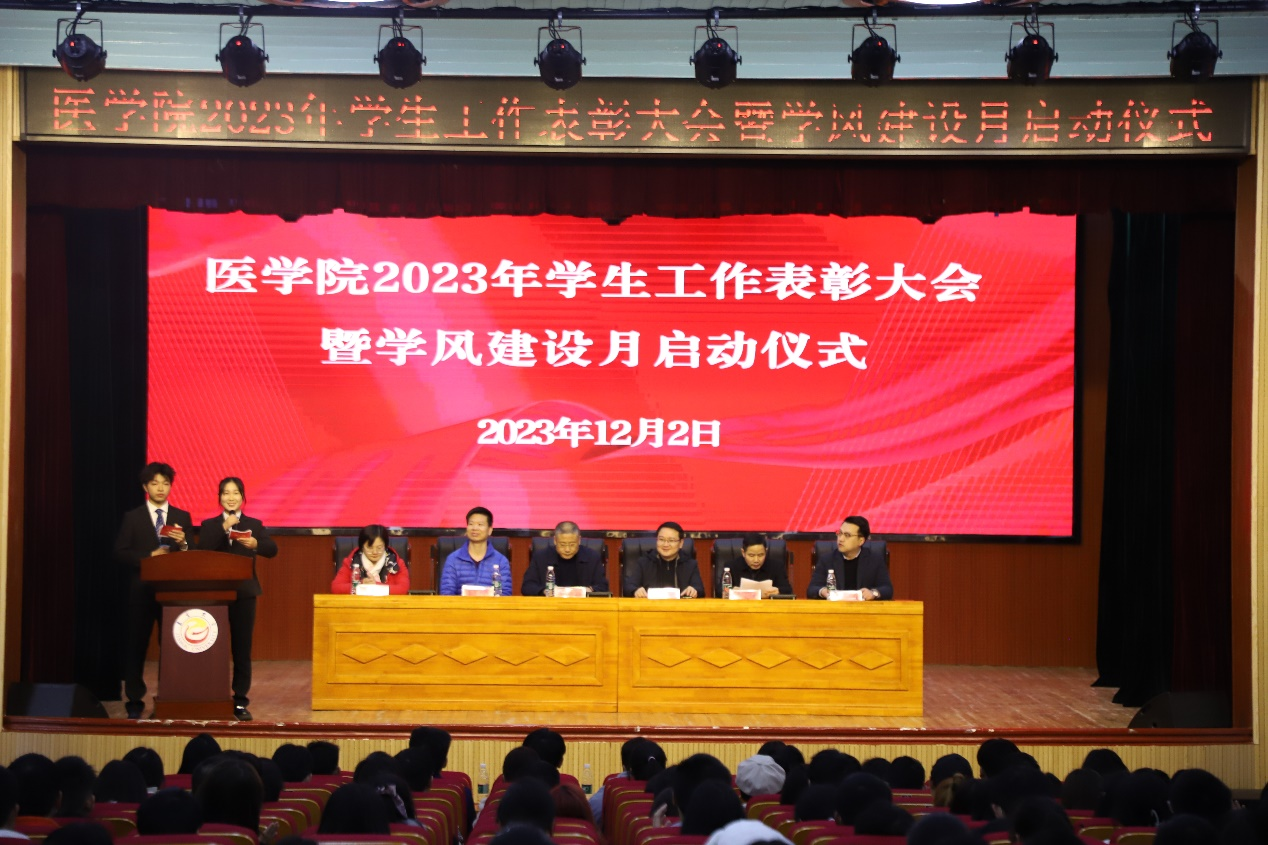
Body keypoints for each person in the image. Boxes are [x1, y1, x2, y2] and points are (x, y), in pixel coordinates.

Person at [113, 462, 192, 719]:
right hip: (141, 592)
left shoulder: (182, 517)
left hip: (171, 592)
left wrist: (183, 544)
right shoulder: (133, 517)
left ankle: (167, 695)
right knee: (136, 645)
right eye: (155, 483)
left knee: (170, 647)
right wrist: (149, 557)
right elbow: (120, 552)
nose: (160, 488)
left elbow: (191, 554)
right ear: (145, 487)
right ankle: (134, 699)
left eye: (165, 483)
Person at [197, 477, 278, 722]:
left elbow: (272, 550)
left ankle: (240, 700)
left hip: (244, 593)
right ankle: (213, 695)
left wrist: (255, 543)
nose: (231, 497)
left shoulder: (254, 524)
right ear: (219, 497)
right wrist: (225, 527)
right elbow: (203, 549)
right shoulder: (210, 525)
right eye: (226, 493)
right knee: (214, 647)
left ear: (243, 497)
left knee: (242, 649)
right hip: (216, 594)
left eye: (235, 493)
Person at [806, 515, 892, 600]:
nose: (841, 539)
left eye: (847, 535)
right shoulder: (827, 560)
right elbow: (812, 589)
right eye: (840, 533)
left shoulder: (875, 560)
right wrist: (822, 591)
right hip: (836, 607)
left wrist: (873, 593)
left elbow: (887, 589)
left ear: (861, 541)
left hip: (863, 607)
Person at [521, 522, 609, 596]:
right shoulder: (541, 557)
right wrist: (544, 591)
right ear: (555, 540)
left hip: (583, 607)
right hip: (550, 607)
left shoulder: (592, 557)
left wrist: (588, 590)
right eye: (562, 545)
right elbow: (527, 587)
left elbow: (603, 587)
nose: (567, 549)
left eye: (572, 544)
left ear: (579, 540)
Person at [439, 507, 510, 596]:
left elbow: (505, 594)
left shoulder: (501, 561)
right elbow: (446, 594)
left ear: (490, 530)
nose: (475, 528)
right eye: (471, 524)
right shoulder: (453, 560)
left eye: (480, 524)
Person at [622, 522, 704, 598]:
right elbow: (628, 587)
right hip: (650, 607)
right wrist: (635, 590)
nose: (665, 544)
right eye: (661, 539)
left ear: (681, 543)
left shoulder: (690, 565)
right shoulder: (644, 563)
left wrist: (694, 590)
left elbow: (700, 589)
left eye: (671, 540)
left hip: (680, 608)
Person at [331, 525, 410, 594]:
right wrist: (361, 585)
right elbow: (336, 587)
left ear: (385, 546)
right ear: (362, 547)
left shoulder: (396, 563)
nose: (375, 552)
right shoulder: (352, 562)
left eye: (379, 548)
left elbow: (403, 589)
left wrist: (375, 586)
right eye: (370, 548)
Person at [716, 534, 791, 599]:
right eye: (751, 555)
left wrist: (778, 591)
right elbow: (719, 591)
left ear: (766, 551)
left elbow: (788, 590)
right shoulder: (731, 566)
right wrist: (731, 591)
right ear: (743, 552)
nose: (756, 560)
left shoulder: (777, 566)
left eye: (760, 555)